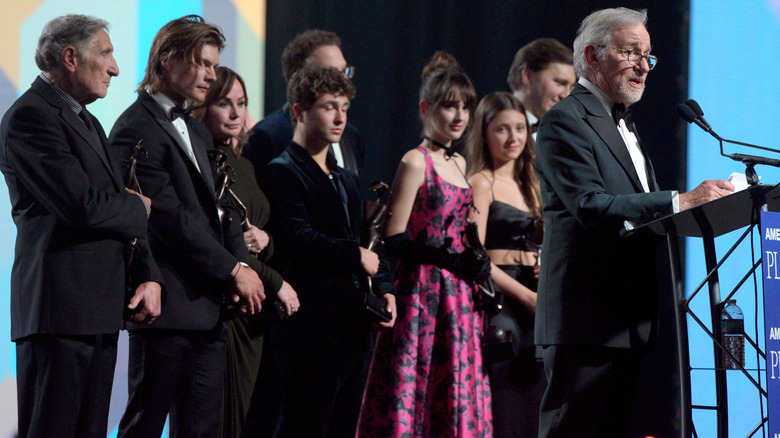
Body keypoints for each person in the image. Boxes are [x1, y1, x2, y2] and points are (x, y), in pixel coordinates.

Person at [534, 7, 735, 437]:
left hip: (627, 321)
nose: (644, 66)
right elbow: (590, 205)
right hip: (585, 324)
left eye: (649, 56)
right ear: (592, 55)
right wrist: (680, 200)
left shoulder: (624, 123)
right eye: (631, 53)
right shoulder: (563, 122)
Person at [0, 15, 162, 437]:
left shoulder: (88, 121)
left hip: (98, 313)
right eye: (106, 53)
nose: (115, 68)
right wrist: (140, 207)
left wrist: (147, 274)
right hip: (59, 314)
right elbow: (85, 207)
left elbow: (111, 207)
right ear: (70, 57)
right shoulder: (30, 117)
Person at [109, 15, 265, 437]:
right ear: (166, 61)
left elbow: (222, 209)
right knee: (144, 424)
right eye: (203, 63)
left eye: (214, 64)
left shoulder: (196, 129)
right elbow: (167, 219)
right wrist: (234, 270)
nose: (211, 75)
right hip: (167, 311)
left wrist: (241, 266)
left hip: (210, 312)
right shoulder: (132, 128)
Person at [357, 51, 492, 437]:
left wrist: (474, 256)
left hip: (460, 298)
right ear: (426, 108)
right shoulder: (416, 161)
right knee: (417, 386)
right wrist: (448, 260)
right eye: (450, 106)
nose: (460, 116)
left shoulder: (460, 163)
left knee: (456, 391)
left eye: (465, 107)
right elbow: (394, 239)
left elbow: (461, 229)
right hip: (422, 294)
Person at [257, 65, 395, 438]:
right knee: (305, 426)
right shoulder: (281, 171)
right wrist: (354, 256)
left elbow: (368, 238)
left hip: (352, 329)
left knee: (344, 427)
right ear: (300, 111)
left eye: (345, 107)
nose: (340, 117)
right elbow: (298, 239)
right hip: (310, 331)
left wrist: (385, 287)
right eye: (329, 106)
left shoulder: (346, 177)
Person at [192, 66, 300, 438]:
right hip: (224, 305)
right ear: (203, 107)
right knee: (217, 420)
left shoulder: (246, 165)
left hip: (255, 314)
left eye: (242, 103)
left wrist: (267, 241)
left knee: (246, 420)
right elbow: (218, 240)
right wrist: (276, 282)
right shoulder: (201, 161)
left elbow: (261, 233)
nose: (237, 113)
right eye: (225, 103)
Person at [465, 91, 544, 438]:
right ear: (484, 132)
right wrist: (525, 296)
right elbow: (474, 253)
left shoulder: (533, 181)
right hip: (501, 296)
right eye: (502, 129)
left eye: (520, 129)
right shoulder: (482, 182)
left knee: (538, 397)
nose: (513, 138)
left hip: (539, 293)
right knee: (507, 399)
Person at [243, 29, 365, 178]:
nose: (343, 80)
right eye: (330, 73)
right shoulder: (266, 137)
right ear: (298, 80)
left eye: (345, 71)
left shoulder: (352, 137)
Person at [507, 38, 576, 140]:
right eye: (560, 83)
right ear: (528, 77)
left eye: (571, 87)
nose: (566, 95)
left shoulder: (567, 135)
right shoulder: (485, 129)